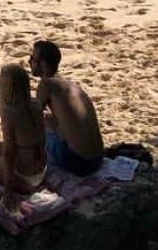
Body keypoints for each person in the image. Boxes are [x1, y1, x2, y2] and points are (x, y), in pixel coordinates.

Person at [0, 64, 48, 209]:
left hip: (25, 178)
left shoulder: (9, 113)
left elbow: (9, 153)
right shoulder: (36, 105)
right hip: (41, 170)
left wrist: (8, 189)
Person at [29, 39, 104, 176]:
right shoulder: (68, 84)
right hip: (98, 159)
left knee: (37, 126)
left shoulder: (46, 84)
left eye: (32, 59)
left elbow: (33, 118)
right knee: (49, 120)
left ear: (43, 64)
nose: (29, 63)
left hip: (78, 163)